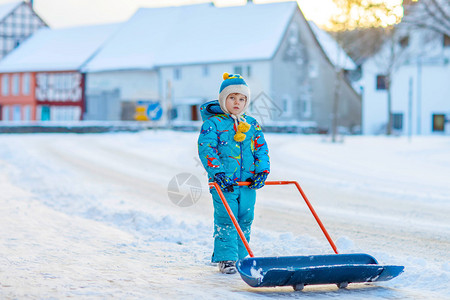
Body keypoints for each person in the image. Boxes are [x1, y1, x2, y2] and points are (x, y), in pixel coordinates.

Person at [198, 73, 270, 274]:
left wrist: (261, 171)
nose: (237, 103)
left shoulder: (252, 124)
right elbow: (207, 149)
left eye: (242, 99)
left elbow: (261, 149)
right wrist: (218, 172)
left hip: (247, 183)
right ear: (223, 99)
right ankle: (226, 258)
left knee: (245, 218)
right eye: (232, 98)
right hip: (224, 183)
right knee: (227, 218)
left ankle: (240, 257)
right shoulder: (213, 125)